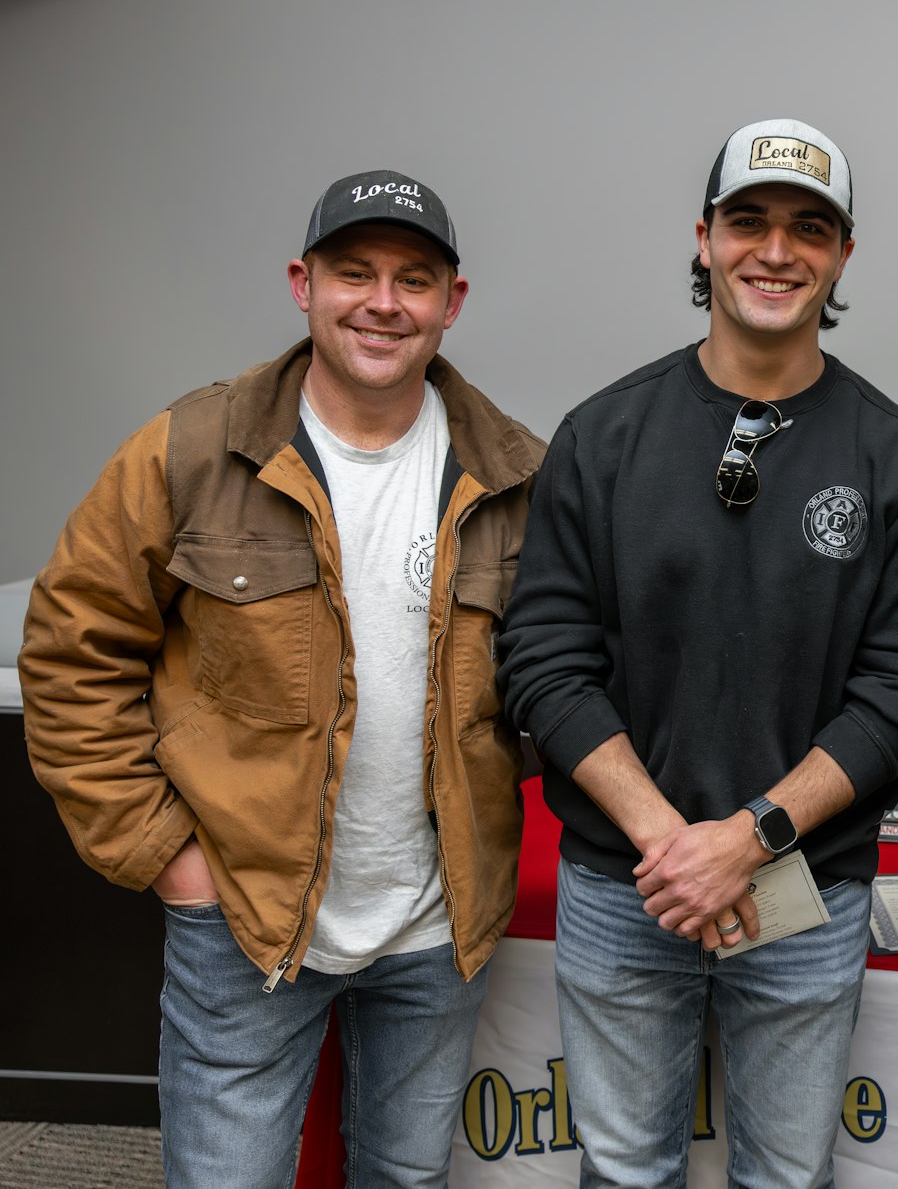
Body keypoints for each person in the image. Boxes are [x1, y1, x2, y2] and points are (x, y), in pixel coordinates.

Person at [19, 171, 543, 1188]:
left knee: (407, 1177)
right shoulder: (188, 449)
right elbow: (70, 652)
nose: (382, 302)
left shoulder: (519, 473)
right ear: (303, 285)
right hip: (244, 916)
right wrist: (166, 854)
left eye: (413, 279)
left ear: (453, 301)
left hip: (437, 926)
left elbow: (562, 672)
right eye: (354, 273)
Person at [497, 118, 898, 1189]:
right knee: (622, 1173)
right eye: (747, 221)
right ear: (702, 238)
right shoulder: (604, 436)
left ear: (842, 255)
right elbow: (544, 660)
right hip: (627, 882)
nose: (775, 250)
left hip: (806, 889)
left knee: (787, 1180)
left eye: (809, 228)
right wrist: (675, 845)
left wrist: (748, 840)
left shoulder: (896, 458)